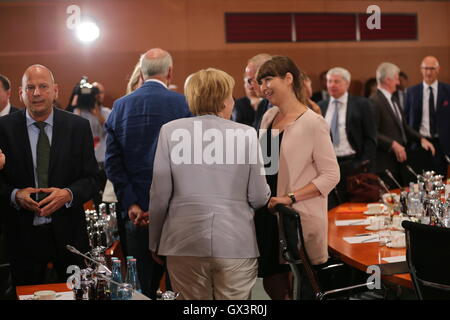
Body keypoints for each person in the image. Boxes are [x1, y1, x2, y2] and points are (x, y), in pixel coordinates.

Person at [148, 68, 270, 300]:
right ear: (224, 99)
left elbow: (159, 195)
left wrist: (155, 240)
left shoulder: (170, 131)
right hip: (235, 239)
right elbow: (258, 197)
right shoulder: (247, 134)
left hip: (182, 239)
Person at [0, 64, 99, 286]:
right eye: (30, 87)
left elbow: (92, 179)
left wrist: (68, 194)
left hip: (69, 236)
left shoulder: (78, 127)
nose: (36, 93)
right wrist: (15, 195)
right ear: (20, 93)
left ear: (55, 90)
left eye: (43, 86)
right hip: (21, 236)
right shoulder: (3, 129)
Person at [105, 48, 191, 299]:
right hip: (176, 212)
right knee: (178, 286)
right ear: (170, 72)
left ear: (141, 73)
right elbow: (188, 163)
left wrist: (132, 202)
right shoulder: (184, 104)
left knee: (140, 285)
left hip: (136, 214)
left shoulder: (119, 107)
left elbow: (112, 162)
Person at [255, 56, 340, 300]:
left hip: (295, 217)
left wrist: (289, 198)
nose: (263, 87)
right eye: (260, 82)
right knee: (272, 281)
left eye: (268, 79)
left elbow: (331, 175)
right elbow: (266, 166)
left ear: (288, 79)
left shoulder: (313, 122)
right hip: (268, 211)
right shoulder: (269, 117)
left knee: (299, 286)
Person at [318, 67, 377, 209]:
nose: (332, 85)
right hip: (329, 165)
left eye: (336, 81)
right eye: (329, 81)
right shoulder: (321, 106)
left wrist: (363, 162)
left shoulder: (362, 104)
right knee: (332, 207)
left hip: (353, 164)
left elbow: (371, 137)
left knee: (355, 207)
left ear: (347, 84)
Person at [370, 62, 435, 188]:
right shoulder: (374, 101)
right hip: (384, 162)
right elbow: (372, 132)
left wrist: (421, 139)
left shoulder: (393, 99)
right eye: (396, 79)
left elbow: (403, 127)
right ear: (388, 80)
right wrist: (392, 144)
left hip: (398, 161)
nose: (398, 83)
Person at [405, 56, 450, 176]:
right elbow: (405, 119)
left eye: (432, 68)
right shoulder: (411, 92)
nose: (428, 72)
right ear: (421, 69)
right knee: (420, 181)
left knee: (441, 181)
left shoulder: (447, 90)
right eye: (425, 68)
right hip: (419, 143)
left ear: (438, 69)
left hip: (442, 144)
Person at [73, 82, 111, 205]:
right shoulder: (80, 112)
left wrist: (97, 113)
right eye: (95, 92)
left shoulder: (106, 112)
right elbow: (73, 132)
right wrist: (77, 105)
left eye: (100, 92)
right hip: (88, 163)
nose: (97, 96)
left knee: (107, 198)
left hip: (104, 162)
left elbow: (110, 129)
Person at [245, 53, 272, 130]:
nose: (250, 87)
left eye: (251, 80)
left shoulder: (282, 108)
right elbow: (266, 141)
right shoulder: (263, 105)